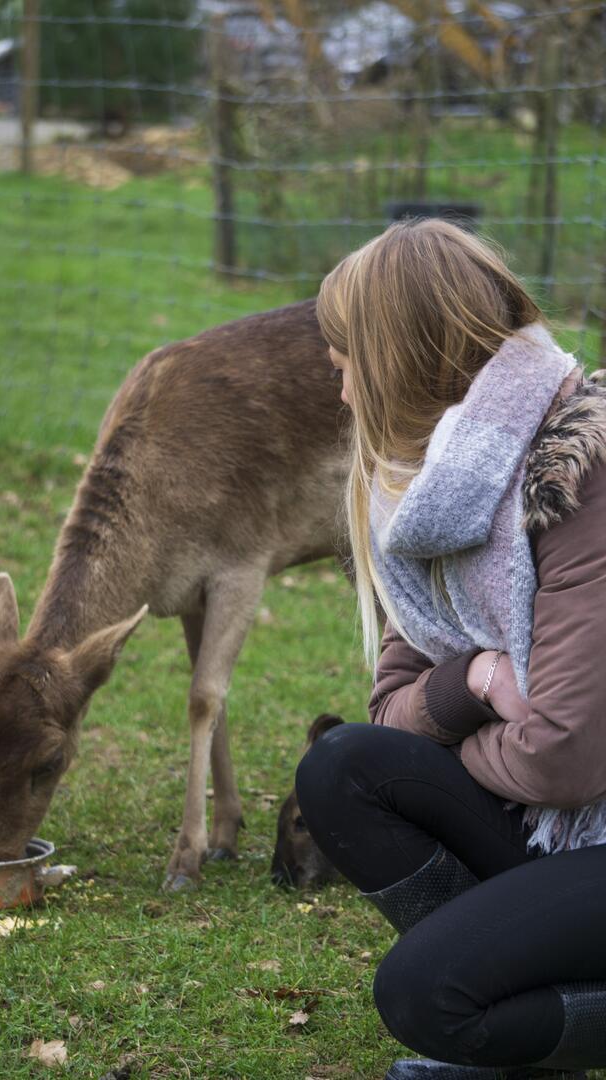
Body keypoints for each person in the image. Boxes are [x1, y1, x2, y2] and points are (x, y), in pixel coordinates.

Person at [295, 218, 606, 1080]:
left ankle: (500, 1004)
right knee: (341, 766)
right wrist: (474, 678)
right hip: (553, 827)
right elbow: (388, 711)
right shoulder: (429, 502)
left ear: (397, 359)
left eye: (347, 366)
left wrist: (460, 734)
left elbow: (564, 763)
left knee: (423, 998)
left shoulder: (576, 473)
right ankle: (513, 991)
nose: (348, 395)